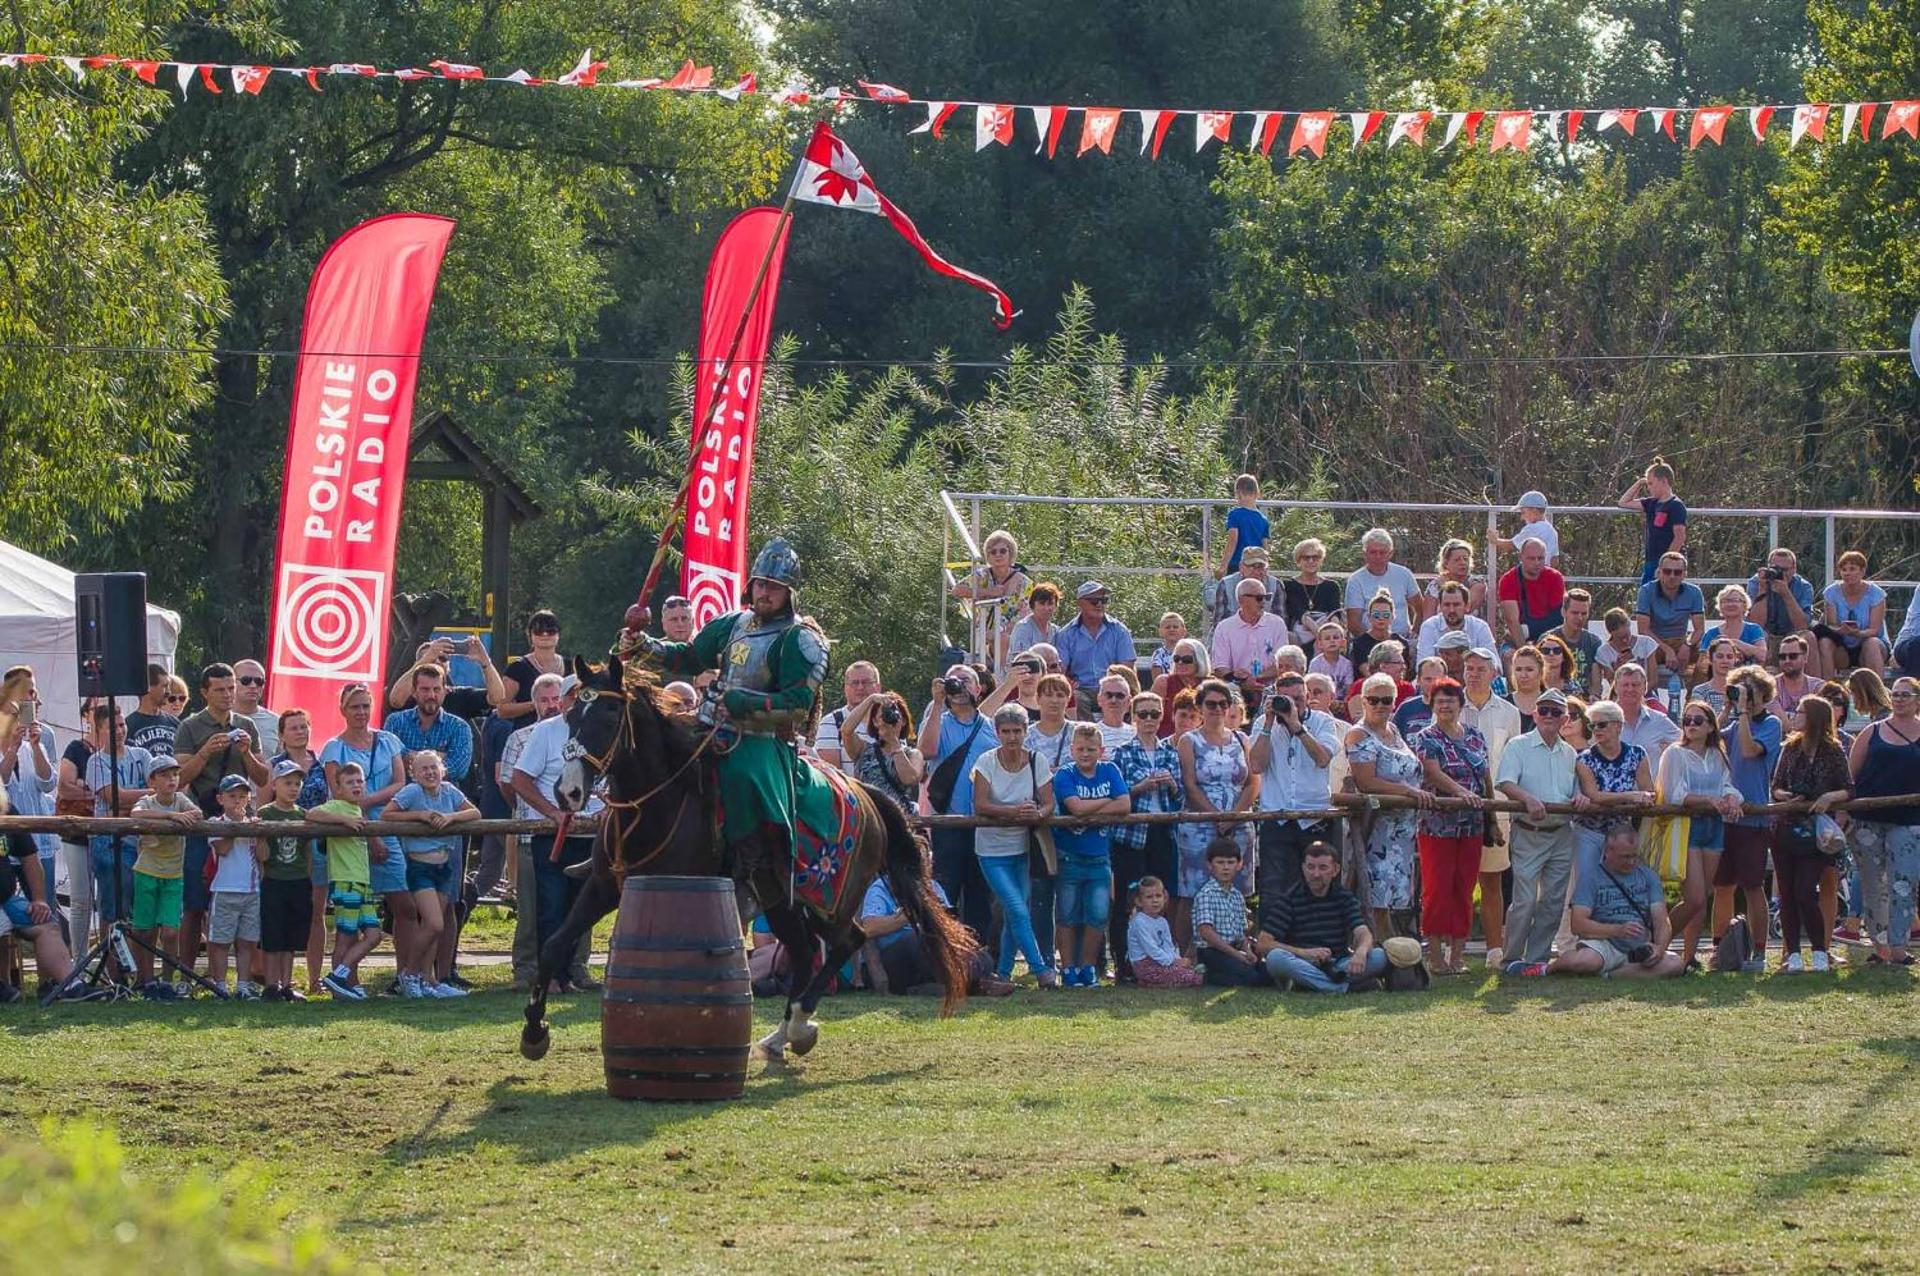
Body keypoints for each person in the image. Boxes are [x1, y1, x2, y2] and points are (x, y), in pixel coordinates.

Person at [622, 537, 830, 911]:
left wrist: (744, 702)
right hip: (708, 723)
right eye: (762, 584)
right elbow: (689, 657)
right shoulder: (732, 623)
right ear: (752, 585)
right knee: (650, 753)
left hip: (760, 739)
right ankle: (620, 845)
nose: (766, 593)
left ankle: (750, 869)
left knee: (740, 775)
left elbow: (797, 705)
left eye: (775, 588)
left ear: (789, 593)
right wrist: (645, 646)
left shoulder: (801, 640)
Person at [509, 678, 607, 994]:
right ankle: (547, 976)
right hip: (553, 834)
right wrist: (553, 812)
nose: (578, 702)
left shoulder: (600, 729)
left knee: (579, 907)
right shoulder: (546, 731)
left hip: (591, 833)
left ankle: (567, 975)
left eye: (584, 696)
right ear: (563, 700)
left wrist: (610, 807)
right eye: (573, 697)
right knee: (550, 907)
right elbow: (520, 779)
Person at [170, 662, 267, 977]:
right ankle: (186, 974)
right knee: (194, 904)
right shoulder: (190, 727)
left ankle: (239, 978)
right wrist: (206, 753)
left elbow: (264, 777)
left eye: (231, 688)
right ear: (204, 692)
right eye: (220, 689)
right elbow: (179, 778)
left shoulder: (247, 726)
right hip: (201, 820)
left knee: (243, 899)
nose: (228, 695)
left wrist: (247, 753)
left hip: (239, 821)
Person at [321, 683, 411, 992]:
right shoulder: (334, 747)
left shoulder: (388, 741)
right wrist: (361, 813)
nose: (361, 712)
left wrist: (369, 801)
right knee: (348, 923)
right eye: (354, 706)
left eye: (365, 706)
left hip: (386, 823)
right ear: (343, 710)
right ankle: (348, 981)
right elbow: (337, 792)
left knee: (402, 903)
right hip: (350, 837)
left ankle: (406, 977)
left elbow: (400, 782)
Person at [918, 662, 1013, 943]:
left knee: (980, 895)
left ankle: (980, 957)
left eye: (965, 680)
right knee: (945, 891)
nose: (959, 686)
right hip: (949, 823)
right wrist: (937, 703)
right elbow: (926, 750)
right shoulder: (940, 721)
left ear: (979, 687)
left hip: (985, 824)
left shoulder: (990, 727)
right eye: (953, 681)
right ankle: (945, 953)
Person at [1495, 692, 1588, 970]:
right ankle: (1511, 959)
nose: (1549, 716)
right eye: (1544, 710)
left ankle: (1536, 960)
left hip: (1561, 833)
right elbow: (1505, 782)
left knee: (1553, 902)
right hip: (1528, 831)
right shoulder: (1518, 745)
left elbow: (1573, 792)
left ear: (1565, 719)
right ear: (1534, 714)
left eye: (1555, 712)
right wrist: (1527, 799)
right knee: (1523, 900)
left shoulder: (1570, 752)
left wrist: (1580, 797)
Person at [968, 703, 1059, 987]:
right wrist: (1014, 813)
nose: (1012, 737)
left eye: (1017, 731)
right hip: (991, 851)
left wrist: (1037, 814)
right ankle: (1041, 968)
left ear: (1024, 732)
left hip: (1021, 849)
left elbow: (1049, 803)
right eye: (1006, 731)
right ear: (997, 733)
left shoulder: (1036, 761)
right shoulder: (985, 762)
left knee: (1013, 913)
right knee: (1018, 908)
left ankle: (1004, 973)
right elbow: (980, 804)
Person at [1522, 824, 1683, 978]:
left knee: (1675, 964)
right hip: (1604, 944)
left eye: (1634, 855)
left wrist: (1659, 948)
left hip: (1639, 947)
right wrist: (1617, 930)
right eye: (1625, 857)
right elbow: (1578, 925)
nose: (1632, 862)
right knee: (1586, 961)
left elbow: (1662, 921)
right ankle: (1550, 968)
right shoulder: (1591, 878)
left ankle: (1612, 975)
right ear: (1607, 851)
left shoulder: (1648, 876)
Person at [1411, 678, 1493, 974]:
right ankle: (1434, 956)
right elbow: (1431, 773)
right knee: (1436, 889)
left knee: (1464, 888)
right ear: (1432, 705)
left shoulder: (1475, 736)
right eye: (1439, 701)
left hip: (1471, 826)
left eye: (1450, 700)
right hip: (1437, 826)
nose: (1445, 705)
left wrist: (1490, 816)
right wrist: (1462, 793)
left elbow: (1486, 777)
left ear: (1461, 704)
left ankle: (1457, 955)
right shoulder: (1426, 737)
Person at [1657, 700, 1747, 970]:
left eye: (1698, 720)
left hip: (1714, 826)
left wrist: (1731, 799)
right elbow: (1675, 794)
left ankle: (1689, 957)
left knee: (1703, 896)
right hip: (1688, 825)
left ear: (1710, 726)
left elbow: (1726, 785)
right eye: (1687, 720)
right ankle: (1657, 945)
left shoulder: (1717, 754)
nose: (1691, 725)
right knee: (1694, 896)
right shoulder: (1675, 753)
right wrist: (1711, 802)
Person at [384, 749, 480, 998]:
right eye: (423, 768)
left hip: (443, 866)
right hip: (420, 867)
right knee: (435, 924)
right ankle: (409, 974)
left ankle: (429, 980)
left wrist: (451, 818)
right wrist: (420, 816)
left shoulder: (449, 791)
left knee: (434, 925)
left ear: (442, 770)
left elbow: (475, 812)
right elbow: (388, 814)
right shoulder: (412, 792)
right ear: (413, 774)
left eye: (433, 767)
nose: (429, 772)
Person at [1345, 672, 1431, 939]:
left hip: (1403, 828)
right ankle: (1382, 948)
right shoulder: (1359, 735)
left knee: (1398, 893)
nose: (1381, 705)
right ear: (1363, 701)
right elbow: (1366, 781)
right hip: (1377, 828)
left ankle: (1396, 948)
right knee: (1377, 893)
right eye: (1374, 700)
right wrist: (1406, 790)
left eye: (1387, 700)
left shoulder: (1393, 730)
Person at [1771, 697, 1852, 973]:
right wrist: (1786, 796)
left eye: (1801, 712)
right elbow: (1776, 785)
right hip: (1786, 826)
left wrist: (1829, 796)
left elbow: (1848, 789)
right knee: (1787, 893)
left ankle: (1819, 949)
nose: (1795, 715)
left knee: (1806, 890)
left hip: (1816, 830)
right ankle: (1792, 952)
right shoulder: (1790, 748)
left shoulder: (1833, 751)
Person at [859, 859, 1013, 996]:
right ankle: (973, 983)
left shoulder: (933, 887)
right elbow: (870, 928)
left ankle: (949, 985)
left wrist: (939, 918)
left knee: (981, 956)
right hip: (895, 958)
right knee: (919, 940)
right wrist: (907, 917)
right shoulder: (881, 889)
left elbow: (950, 926)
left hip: (932, 952)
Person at [1248, 670, 1339, 902]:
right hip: (1276, 817)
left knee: (1318, 887)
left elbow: (1322, 759)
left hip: (1314, 818)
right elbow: (1256, 765)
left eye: (1297, 699)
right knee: (1275, 888)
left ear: (1308, 697)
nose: (1292, 705)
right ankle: (1273, 937)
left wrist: (1298, 727)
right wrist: (1269, 723)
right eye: (1285, 699)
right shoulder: (1263, 724)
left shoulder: (1323, 722)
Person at [1847, 676, 1920, 966]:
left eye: (1906, 694)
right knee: (1873, 883)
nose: (1900, 699)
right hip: (1868, 820)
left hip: (1910, 820)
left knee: (1904, 882)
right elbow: (1851, 776)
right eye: (1896, 694)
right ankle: (1879, 947)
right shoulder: (1872, 732)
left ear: (1917, 698)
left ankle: (1899, 947)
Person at [1110, 692, 1183, 977]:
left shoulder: (1170, 752)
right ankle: (1124, 964)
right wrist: (1141, 786)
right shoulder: (1123, 752)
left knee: (1159, 900)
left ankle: (1160, 962)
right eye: (1143, 714)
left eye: (1154, 714)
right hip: (1130, 835)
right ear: (1133, 716)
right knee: (1128, 902)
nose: (1149, 719)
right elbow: (1117, 796)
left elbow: (1180, 800)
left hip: (1162, 833)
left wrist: (1172, 786)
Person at [1052, 723, 1129, 986]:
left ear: (1101, 750)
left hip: (1099, 856)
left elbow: (1125, 804)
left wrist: (1090, 810)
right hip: (1069, 855)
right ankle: (1068, 968)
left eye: (1091, 749)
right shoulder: (1065, 774)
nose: (1085, 754)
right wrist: (1107, 803)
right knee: (1067, 914)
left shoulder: (1110, 770)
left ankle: (1087, 968)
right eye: (1081, 749)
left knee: (1097, 915)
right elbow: (1075, 808)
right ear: (1072, 750)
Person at [1255, 840, 1386, 992]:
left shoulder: (1343, 897)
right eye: (1311, 867)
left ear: (1335, 870)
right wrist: (1305, 953)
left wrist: (1360, 953)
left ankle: (1312, 984)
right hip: (1303, 963)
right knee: (1276, 958)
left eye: (1323, 868)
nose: (1316, 874)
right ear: (1303, 868)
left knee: (1379, 956)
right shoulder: (1290, 899)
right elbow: (1263, 943)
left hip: (1339, 963)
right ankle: (1341, 987)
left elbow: (1363, 932)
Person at [1176, 680, 1258, 922]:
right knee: (1193, 894)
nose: (1218, 709)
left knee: (1236, 893)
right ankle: (1185, 956)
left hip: (1239, 824)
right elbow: (1190, 785)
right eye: (1211, 704)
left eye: (1223, 704)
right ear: (1200, 707)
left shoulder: (1242, 739)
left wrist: (1233, 817)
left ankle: (1238, 950)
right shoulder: (1189, 741)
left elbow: (1253, 782)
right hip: (1200, 826)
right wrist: (1217, 817)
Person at [1718, 664, 1782, 972]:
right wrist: (1726, 707)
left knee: (1753, 886)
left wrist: (1743, 713)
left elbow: (1747, 750)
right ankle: (1721, 949)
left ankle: (1759, 951)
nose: (1743, 697)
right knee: (1722, 886)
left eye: (1748, 692)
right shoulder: (1732, 723)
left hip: (1753, 818)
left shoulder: (1770, 724)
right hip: (1725, 817)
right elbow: (1711, 741)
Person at [307, 763, 387, 999]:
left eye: (359, 781)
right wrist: (343, 821)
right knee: (345, 935)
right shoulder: (337, 807)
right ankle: (338, 981)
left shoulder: (360, 811)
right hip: (345, 881)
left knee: (374, 935)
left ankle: (340, 975)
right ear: (338, 788)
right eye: (350, 782)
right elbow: (311, 814)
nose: (356, 786)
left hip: (362, 881)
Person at [127, 755, 198, 987]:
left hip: (173, 875)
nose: (172, 780)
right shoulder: (147, 801)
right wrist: (171, 816)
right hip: (146, 872)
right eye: (165, 775)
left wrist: (180, 814)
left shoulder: (181, 800)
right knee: (145, 931)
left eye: (175, 775)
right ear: (152, 781)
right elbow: (136, 814)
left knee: (169, 932)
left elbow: (198, 813)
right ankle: (145, 979)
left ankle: (167, 981)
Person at [256, 759, 314, 1002]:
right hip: (274, 879)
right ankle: (271, 984)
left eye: (297, 783)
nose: (293, 788)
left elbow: (308, 853)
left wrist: (307, 875)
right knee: (272, 935)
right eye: (287, 783)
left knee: (292, 937)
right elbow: (262, 854)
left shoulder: (304, 815)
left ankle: (286, 984)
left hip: (298, 880)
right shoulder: (265, 813)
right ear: (275, 784)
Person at [202, 774, 265, 999]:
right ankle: (220, 985)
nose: (237, 801)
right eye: (232, 796)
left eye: (242, 796)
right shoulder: (215, 823)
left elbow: (263, 855)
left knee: (247, 941)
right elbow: (223, 849)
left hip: (251, 889)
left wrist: (260, 833)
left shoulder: (254, 823)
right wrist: (239, 826)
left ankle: (243, 985)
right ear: (221, 799)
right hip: (225, 888)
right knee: (220, 941)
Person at [1574, 701, 1654, 874]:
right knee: (1586, 882)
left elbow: (1649, 791)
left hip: (1622, 833)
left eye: (1601, 724)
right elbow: (1594, 796)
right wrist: (1631, 796)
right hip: (1590, 832)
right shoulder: (1584, 759)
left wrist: (1643, 798)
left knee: (1621, 882)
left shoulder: (1637, 755)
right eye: (1592, 725)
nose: (1596, 730)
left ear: (1618, 726)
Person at [0, 830, 75, 996]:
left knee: (46, 924)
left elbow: (30, 858)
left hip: (7, 899)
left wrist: (39, 900)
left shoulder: (6, 811)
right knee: (2, 923)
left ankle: (68, 986)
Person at [1054, 581, 1135, 719]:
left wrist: (1111, 686)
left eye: (1104, 600)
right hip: (1081, 689)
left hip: (1112, 684)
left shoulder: (1120, 631)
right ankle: (1089, 736)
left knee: (1121, 696)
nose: (1099, 605)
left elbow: (1126, 669)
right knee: (1076, 699)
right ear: (1079, 603)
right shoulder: (1066, 634)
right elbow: (1059, 670)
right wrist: (1068, 681)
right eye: (1093, 601)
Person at [1212, 576, 1292, 715]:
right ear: (1242, 600)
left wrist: (1255, 679)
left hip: (1271, 688)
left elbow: (1283, 663)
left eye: (1266, 597)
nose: (1264, 603)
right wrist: (1241, 682)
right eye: (1259, 598)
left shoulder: (1277, 624)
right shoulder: (1224, 628)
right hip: (1236, 690)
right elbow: (1220, 667)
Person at [953, 529, 1030, 667]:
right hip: (984, 635)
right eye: (992, 552)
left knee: (1004, 639)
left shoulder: (1023, 582)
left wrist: (1001, 632)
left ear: (1010, 552)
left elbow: (1027, 613)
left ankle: (1000, 679)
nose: (998, 555)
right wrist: (988, 591)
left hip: (1012, 634)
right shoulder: (982, 575)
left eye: (1002, 551)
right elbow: (957, 590)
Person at [1192, 838, 1263, 986]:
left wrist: (1247, 951)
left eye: (1230, 863)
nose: (1226, 867)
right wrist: (1236, 955)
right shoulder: (1206, 894)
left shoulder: (1237, 896)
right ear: (1210, 865)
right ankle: (1205, 975)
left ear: (1239, 864)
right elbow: (1206, 931)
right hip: (1211, 951)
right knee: (1248, 977)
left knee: (1264, 971)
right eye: (1220, 862)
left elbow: (1241, 932)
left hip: (1234, 949)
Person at [1636, 552, 1706, 697]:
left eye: (1677, 572)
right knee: (1640, 652)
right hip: (1654, 642)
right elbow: (1643, 630)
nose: (1672, 576)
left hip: (1681, 640)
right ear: (1659, 572)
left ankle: (1694, 700)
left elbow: (1699, 630)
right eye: (1667, 571)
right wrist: (1667, 650)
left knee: (1707, 653)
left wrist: (1687, 645)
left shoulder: (1694, 592)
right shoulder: (1646, 591)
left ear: (1684, 574)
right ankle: (1648, 699)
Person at [840, 690, 924, 809]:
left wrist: (894, 742)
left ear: (904, 721)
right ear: (874, 721)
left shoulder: (914, 755)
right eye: (883, 716)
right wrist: (871, 699)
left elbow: (909, 779)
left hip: (899, 818)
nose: (888, 719)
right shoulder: (863, 750)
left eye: (894, 715)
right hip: (869, 816)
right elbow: (846, 731)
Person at [1814, 550, 1890, 677]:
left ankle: (1877, 692)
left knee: (1871, 644)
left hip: (1869, 643)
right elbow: (1831, 624)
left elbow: (1875, 630)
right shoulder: (1831, 592)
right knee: (1825, 642)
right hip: (1842, 646)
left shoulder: (1876, 593)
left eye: (1852, 569)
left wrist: (1858, 633)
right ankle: (1827, 689)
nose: (1847, 573)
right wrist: (1840, 630)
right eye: (1844, 569)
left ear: (1862, 571)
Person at [1618, 456, 1687, 583]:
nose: (1648, 487)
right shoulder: (1651, 503)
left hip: (1668, 565)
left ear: (1664, 481)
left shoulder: (1676, 505)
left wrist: (1665, 565)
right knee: (1647, 597)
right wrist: (1640, 482)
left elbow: (1679, 537)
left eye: (1651, 483)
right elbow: (1623, 502)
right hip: (1651, 561)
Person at [1344, 528, 1421, 639]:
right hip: (1369, 643)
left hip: (1403, 639)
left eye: (1382, 552)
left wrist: (1414, 632)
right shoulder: (1355, 580)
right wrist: (1372, 642)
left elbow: (1420, 609)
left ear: (1391, 553)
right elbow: (1353, 623)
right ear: (1365, 554)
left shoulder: (1404, 574)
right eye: (1373, 552)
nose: (1378, 557)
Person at [1126, 876, 1202, 987]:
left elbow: (1168, 945)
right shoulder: (1139, 922)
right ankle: (1151, 981)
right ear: (1139, 901)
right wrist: (1172, 962)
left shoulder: (1162, 921)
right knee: (1191, 977)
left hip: (1162, 961)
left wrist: (1178, 960)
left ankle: (1154, 982)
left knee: (1191, 969)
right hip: (1145, 964)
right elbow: (1150, 948)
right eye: (1149, 897)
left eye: (1158, 896)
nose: (1155, 900)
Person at [493, 610, 568, 721]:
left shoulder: (572, 666)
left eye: (551, 630)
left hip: (566, 732)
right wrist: (536, 704)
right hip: (527, 732)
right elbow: (501, 709)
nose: (545, 634)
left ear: (559, 635)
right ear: (530, 635)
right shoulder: (517, 668)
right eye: (538, 631)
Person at [1498, 539, 1567, 651]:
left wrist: (1528, 630)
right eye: (1531, 558)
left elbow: (1559, 618)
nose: (1536, 563)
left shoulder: (1555, 577)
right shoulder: (1508, 580)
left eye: (1540, 558)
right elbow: (1512, 621)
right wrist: (1526, 653)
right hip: (1519, 637)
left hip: (1550, 639)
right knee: (1508, 656)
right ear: (1520, 557)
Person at [814, 661, 882, 770]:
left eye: (866, 682)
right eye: (854, 683)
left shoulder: (891, 721)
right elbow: (832, 775)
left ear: (878, 687)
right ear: (845, 688)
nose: (860, 687)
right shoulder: (832, 722)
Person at [1612, 664, 1681, 763]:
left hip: (1650, 778)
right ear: (1615, 687)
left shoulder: (1659, 721)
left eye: (1635, 685)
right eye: (1625, 685)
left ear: (1645, 688)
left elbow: (1687, 745)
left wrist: (1670, 753)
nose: (1630, 689)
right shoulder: (1601, 720)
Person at [1284, 538, 1344, 648]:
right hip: (1300, 632)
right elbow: (1297, 611)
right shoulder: (1289, 585)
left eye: (1315, 557)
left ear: (1321, 560)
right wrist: (1319, 635)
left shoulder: (1331, 586)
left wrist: (1334, 634)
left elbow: (1335, 613)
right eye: (1306, 558)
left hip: (1326, 631)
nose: (1311, 561)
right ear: (1298, 561)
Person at [1416, 581, 1497, 663]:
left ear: (1467, 606)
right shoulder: (1429, 627)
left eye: (1456, 605)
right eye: (1447, 605)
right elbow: (1423, 665)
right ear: (1440, 607)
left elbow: (1495, 664)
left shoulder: (1480, 627)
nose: (1452, 610)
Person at [1212, 546, 1287, 627]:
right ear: (1241, 567)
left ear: (1267, 569)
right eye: (1251, 566)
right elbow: (1219, 622)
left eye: (1261, 567)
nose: (1256, 571)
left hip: (1264, 633)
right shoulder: (1226, 584)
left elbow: (1280, 621)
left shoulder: (1276, 585)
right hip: (1231, 632)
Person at [1699, 586, 1769, 671]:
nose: (1730, 604)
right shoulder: (1711, 633)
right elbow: (1701, 664)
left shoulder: (1754, 629)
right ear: (1720, 607)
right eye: (1725, 601)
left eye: (1735, 600)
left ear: (1744, 605)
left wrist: (1735, 643)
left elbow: (1763, 656)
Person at [1595, 607, 1662, 694]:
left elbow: (1653, 680)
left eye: (1627, 635)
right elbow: (1612, 684)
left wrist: (1638, 694)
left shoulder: (1646, 643)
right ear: (1611, 633)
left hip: (1646, 694)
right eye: (1620, 638)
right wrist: (1618, 669)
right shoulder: (1604, 652)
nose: (1625, 641)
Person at [1150, 639, 1209, 737]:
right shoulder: (1163, 683)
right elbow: (1149, 717)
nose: (1180, 662)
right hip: (1167, 744)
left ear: (1199, 661)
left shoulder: (1210, 685)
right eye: (1176, 659)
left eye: (1187, 660)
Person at [1420, 538, 1488, 623]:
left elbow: (1466, 608)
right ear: (1446, 563)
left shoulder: (1477, 583)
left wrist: (1446, 586)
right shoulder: (1435, 585)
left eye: (1465, 559)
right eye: (1457, 560)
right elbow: (1427, 621)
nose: (1463, 563)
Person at [1217, 473, 1269, 579]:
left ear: (1238, 493)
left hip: (1237, 563)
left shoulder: (1235, 514)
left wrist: (1223, 566)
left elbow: (1232, 541)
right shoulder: (1263, 519)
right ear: (1256, 493)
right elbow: (1265, 547)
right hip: (1257, 564)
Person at [1551, 590, 1603, 697]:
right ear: (1564, 612)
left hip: (1585, 700)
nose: (1579, 618)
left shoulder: (1593, 642)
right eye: (1575, 613)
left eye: (1584, 613)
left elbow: (1596, 681)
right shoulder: (1549, 640)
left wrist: (1594, 697)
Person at [125, 663, 182, 756]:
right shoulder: (129, 725)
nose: (168, 692)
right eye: (164, 686)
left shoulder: (174, 723)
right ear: (148, 687)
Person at [1496, 490, 1561, 565]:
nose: (1522, 517)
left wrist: (1495, 540)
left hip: (1532, 572)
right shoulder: (1552, 531)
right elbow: (1555, 560)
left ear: (1534, 511)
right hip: (1546, 572)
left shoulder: (1531, 528)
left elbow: (1510, 545)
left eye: (1523, 512)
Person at [231, 659, 279, 756]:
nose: (253, 686)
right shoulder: (217, 717)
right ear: (232, 683)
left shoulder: (277, 722)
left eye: (259, 681)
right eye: (246, 680)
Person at [1770, 634, 1817, 728]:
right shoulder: (1769, 687)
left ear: (1805, 658)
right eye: (1782, 657)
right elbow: (1783, 724)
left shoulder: (1817, 687)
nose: (1787, 661)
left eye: (1793, 656)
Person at [1007, 584, 1062, 662]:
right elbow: (1021, 660)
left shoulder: (1056, 631)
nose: (1046, 608)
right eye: (1042, 604)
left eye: (1050, 604)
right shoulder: (1023, 628)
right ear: (1032, 605)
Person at [1090, 674, 1137, 757]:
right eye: (1108, 695)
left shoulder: (1137, 734)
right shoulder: (1090, 733)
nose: (1113, 700)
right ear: (1099, 699)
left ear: (1129, 701)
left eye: (1120, 696)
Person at [1148, 613, 1189, 680]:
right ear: (1160, 632)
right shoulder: (1158, 654)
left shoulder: (1191, 652)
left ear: (1184, 631)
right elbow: (1157, 680)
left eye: (1175, 627)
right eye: (1167, 627)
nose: (1171, 629)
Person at [1893, 598, 1920, 680]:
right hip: (1912, 643)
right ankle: (1914, 689)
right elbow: (1913, 622)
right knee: (1916, 645)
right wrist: (1893, 652)